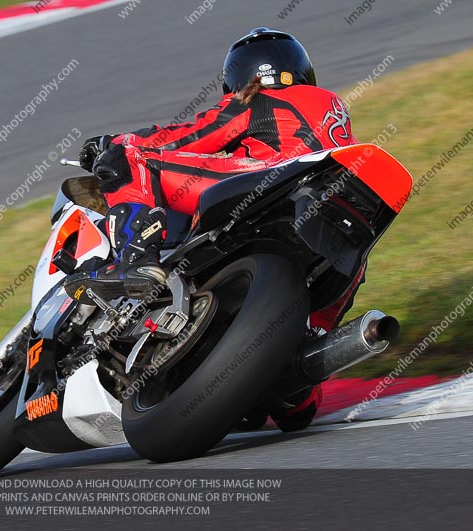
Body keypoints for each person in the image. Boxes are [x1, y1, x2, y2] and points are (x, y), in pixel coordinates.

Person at [65, 27, 364, 431]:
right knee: (307, 374)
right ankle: (295, 388)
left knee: (133, 159)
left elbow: (182, 139)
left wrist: (112, 142)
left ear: (240, 76)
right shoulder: (332, 109)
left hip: (267, 181)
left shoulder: (257, 100)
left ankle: (135, 260)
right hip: (338, 223)